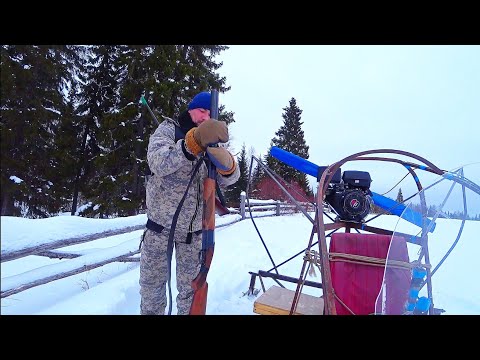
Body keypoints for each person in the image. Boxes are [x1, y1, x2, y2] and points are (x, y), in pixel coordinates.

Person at [140, 91, 240, 315]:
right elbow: (158, 163)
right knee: (152, 291)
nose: (205, 116)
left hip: (193, 234)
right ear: (191, 109)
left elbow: (230, 179)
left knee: (190, 293)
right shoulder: (168, 131)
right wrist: (190, 145)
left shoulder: (211, 143)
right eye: (201, 111)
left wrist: (228, 165)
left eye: (209, 113)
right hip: (159, 230)